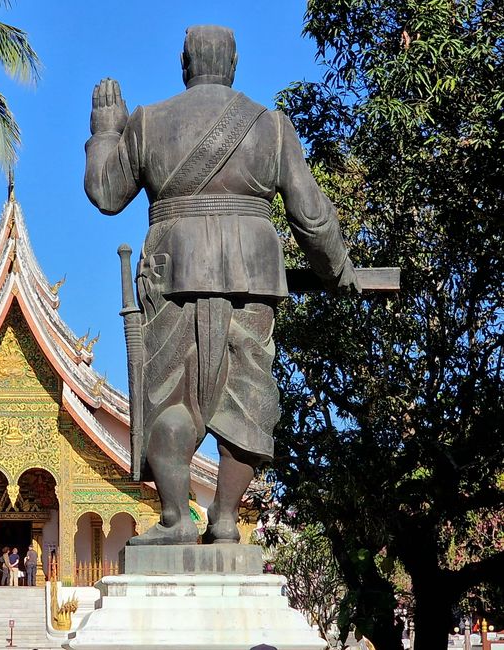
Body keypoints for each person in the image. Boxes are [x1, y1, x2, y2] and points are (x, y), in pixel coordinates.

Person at [85, 25, 360, 546]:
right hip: (251, 275)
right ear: (232, 67)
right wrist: (336, 267)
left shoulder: (146, 123)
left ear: (185, 66)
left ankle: (174, 518)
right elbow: (311, 215)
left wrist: (106, 130)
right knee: (247, 395)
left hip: (171, 274)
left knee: (170, 393)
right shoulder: (272, 128)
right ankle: (226, 518)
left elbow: (106, 193)